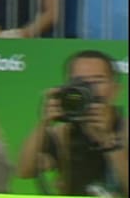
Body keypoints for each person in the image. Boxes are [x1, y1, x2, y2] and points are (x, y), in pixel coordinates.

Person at [16, 49, 129, 197]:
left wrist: (107, 141)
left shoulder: (125, 129)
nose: (89, 89)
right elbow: (25, 171)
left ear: (115, 89)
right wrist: (44, 123)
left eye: (97, 81)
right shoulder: (64, 133)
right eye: (80, 81)